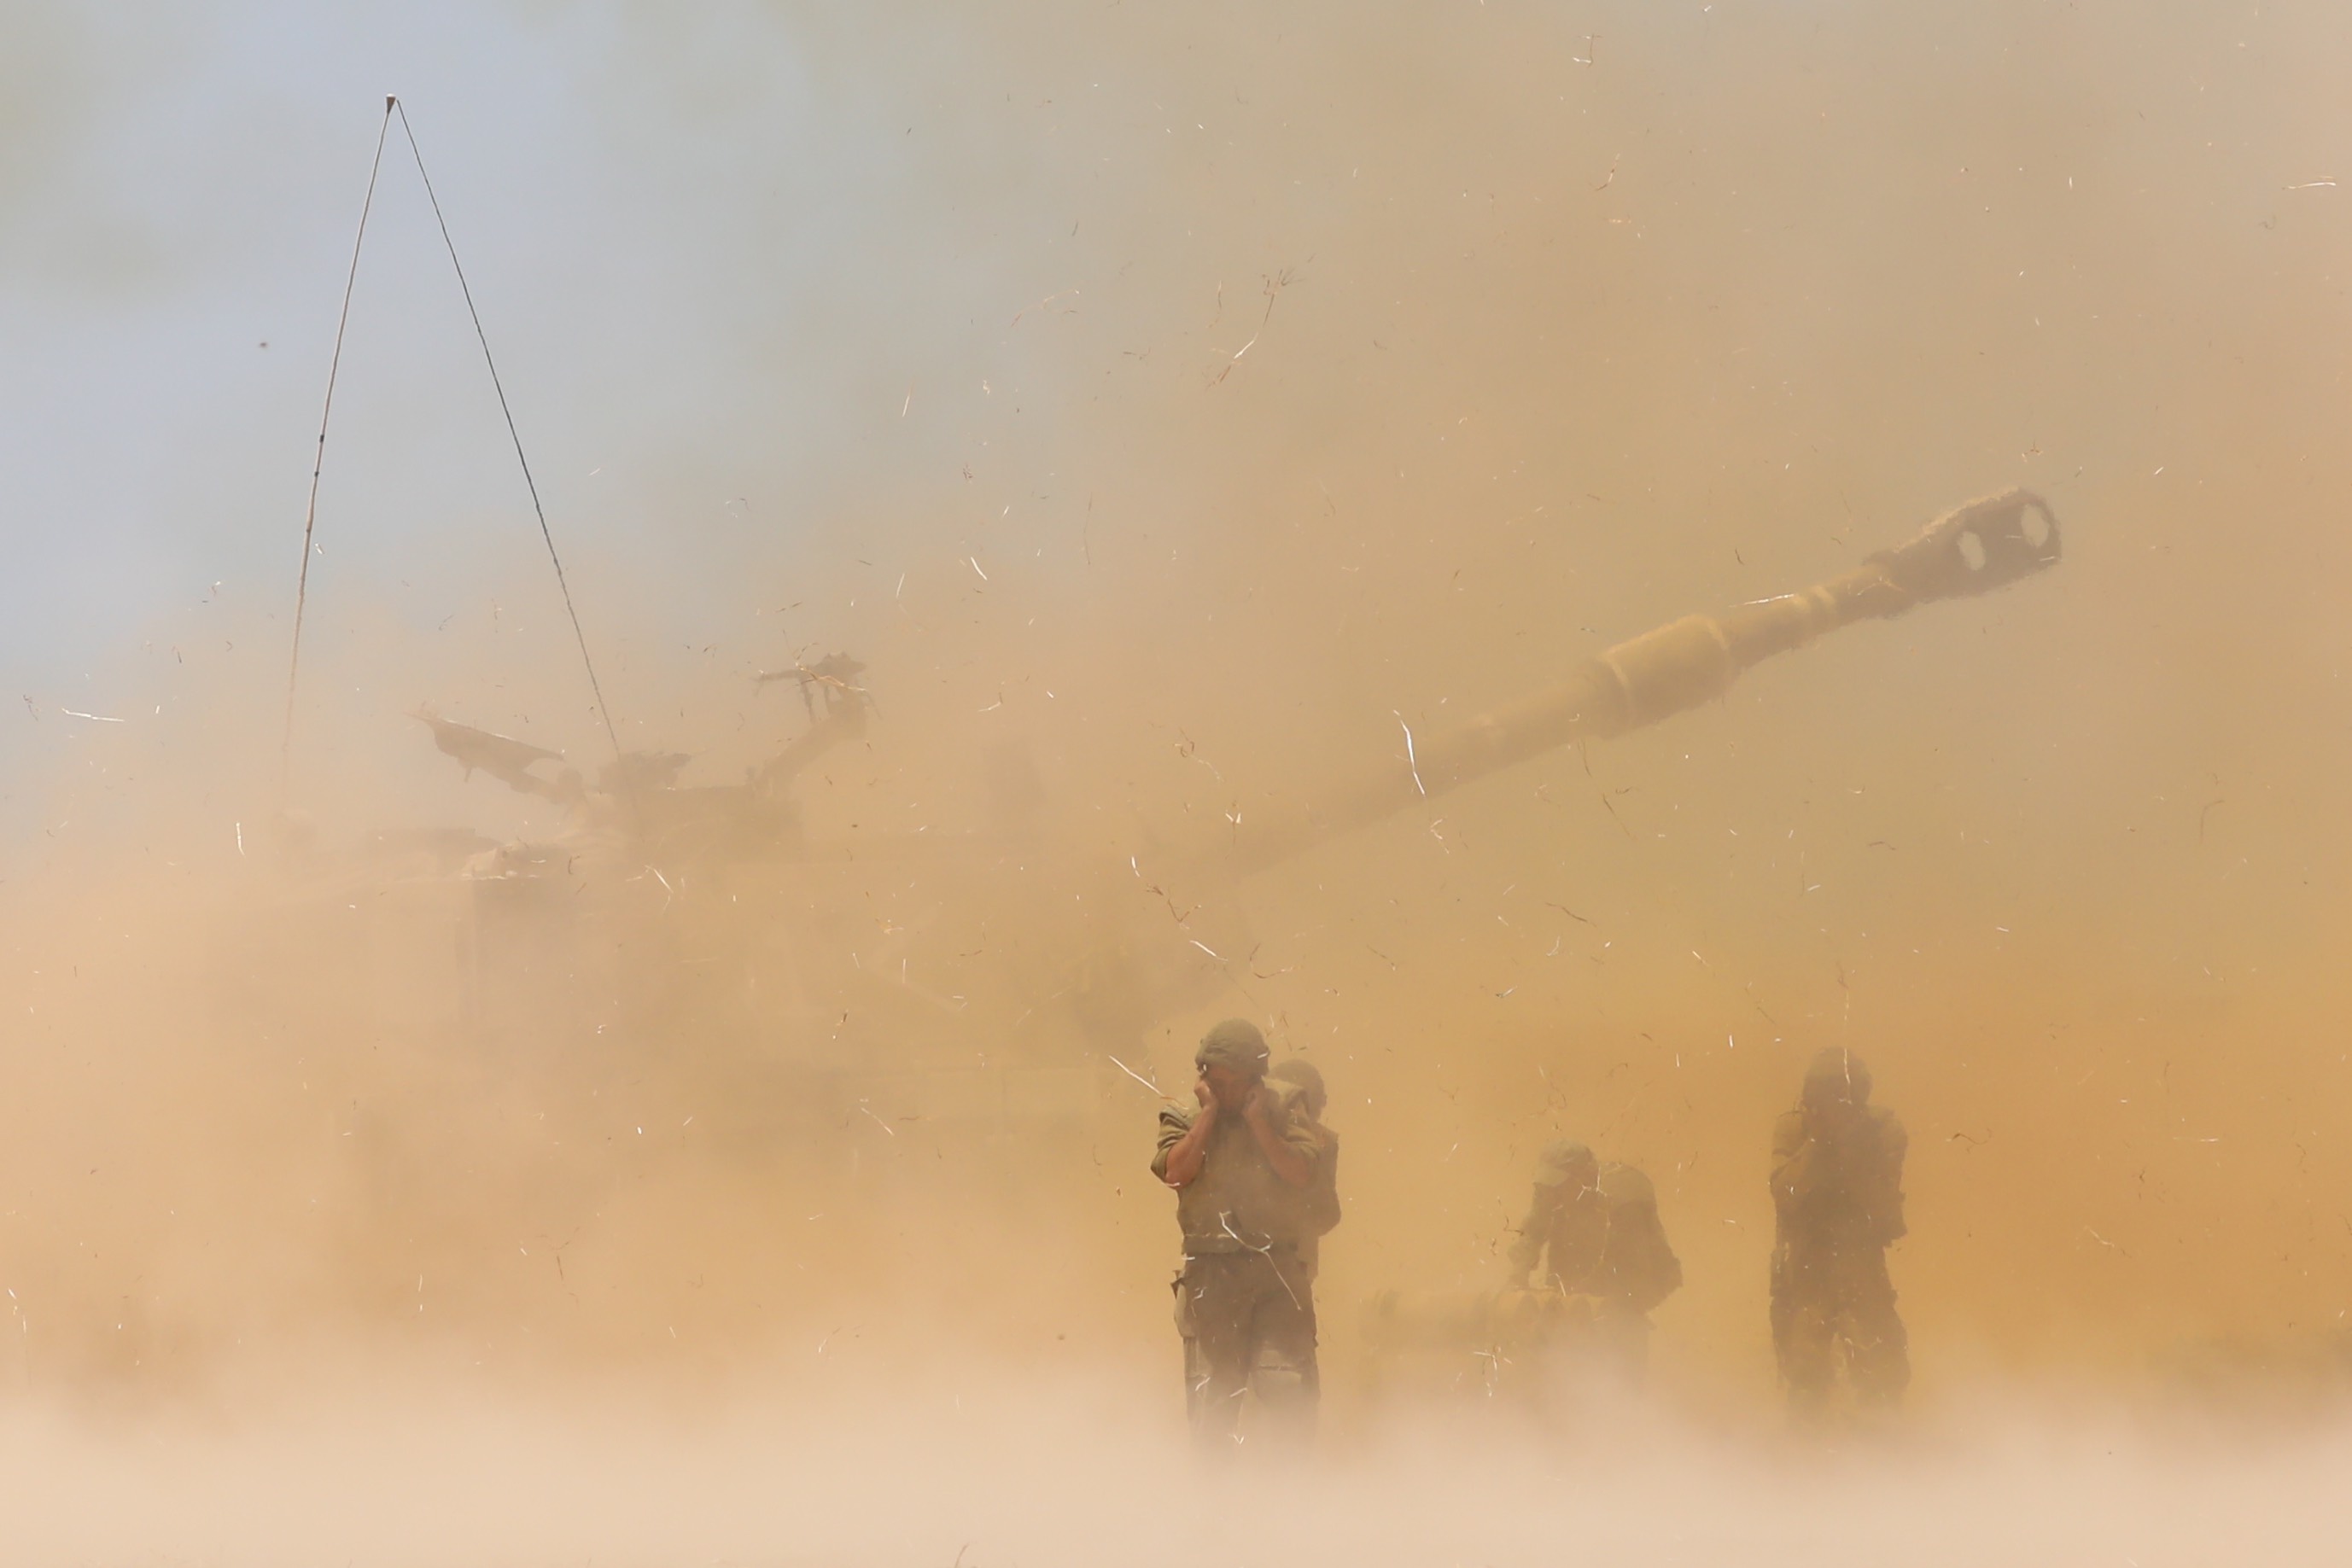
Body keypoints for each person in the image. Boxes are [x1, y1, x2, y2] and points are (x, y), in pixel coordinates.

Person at [1153, 1019, 1327, 1451]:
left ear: (1256, 1080)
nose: (1227, 1091)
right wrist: (1209, 1115)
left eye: (1237, 1083)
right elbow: (1175, 1172)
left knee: (1287, 1391)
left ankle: (1292, 1500)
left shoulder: (1287, 1111)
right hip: (1212, 1276)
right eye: (1218, 1082)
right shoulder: (1184, 1116)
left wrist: (1259, 1124)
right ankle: (1216, 1507)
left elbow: (1301, 1173)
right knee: (1213, 1400)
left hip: (1276, 1275)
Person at [1769, 1046, 1910, 1419]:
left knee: (1881, 1372)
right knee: (1805, 1374)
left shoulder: (1883, 1133)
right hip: (1805, 1266)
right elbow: (1785, 1195)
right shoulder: (1794, 1129)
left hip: (1858, 1262)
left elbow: (1883, 1211)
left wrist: (1849, 1147)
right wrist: (1818, 1144)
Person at [1504, 1138, 1682, 1377]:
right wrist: (1519, 1274)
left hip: (1625, 1296)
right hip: (1576, 1291)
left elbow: (1631, 1269)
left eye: (1561, 1185)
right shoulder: (1553, 1190)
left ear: (1584, 1178)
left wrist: (1579, 1299)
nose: (1555, 1194)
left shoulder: (1624, 1199)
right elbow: (1534, 1229)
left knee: (1617, 1374)